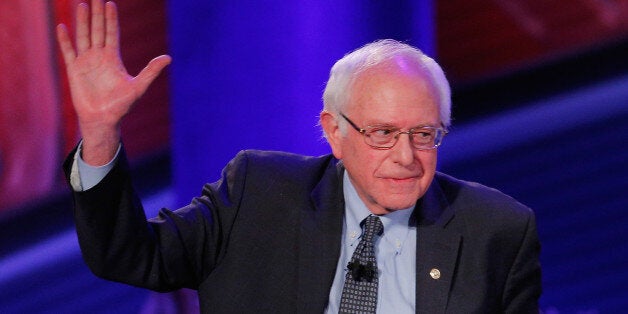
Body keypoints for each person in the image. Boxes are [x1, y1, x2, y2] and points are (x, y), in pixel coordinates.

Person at [58, 0, 542, 313]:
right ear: (334, 131)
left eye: (424, 134)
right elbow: (131, 257)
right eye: (382, 133)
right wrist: (100, 134)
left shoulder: (495, 231)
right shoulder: (257, 195)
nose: (406, 157)